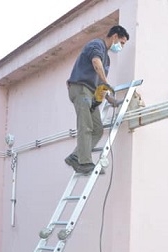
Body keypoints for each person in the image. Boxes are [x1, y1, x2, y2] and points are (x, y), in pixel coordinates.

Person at [65, 25, 129, 175]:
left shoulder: (107, 59)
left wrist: (109, 98)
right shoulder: (97, 45)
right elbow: (96, 63)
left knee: (97, 129)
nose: (121, 47)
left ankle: (75, 156)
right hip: (81, 89)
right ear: (114, 36)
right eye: (122, 43)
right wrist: (107, 83)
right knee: (86, 126)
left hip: (90, 93)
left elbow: (100, 83)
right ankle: (85, 162)